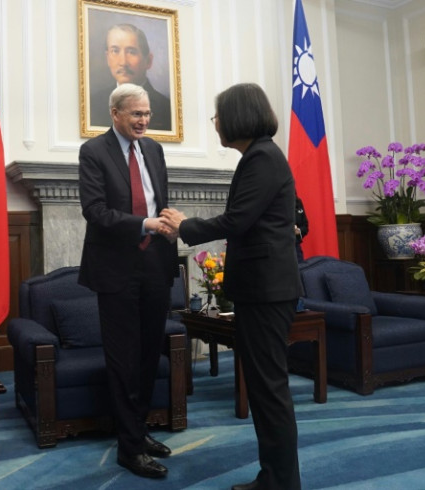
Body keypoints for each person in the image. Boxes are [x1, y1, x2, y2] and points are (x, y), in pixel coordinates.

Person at [160, 83, 303, 490]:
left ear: (239, 116)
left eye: (218, 116)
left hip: (268, 291)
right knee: (263, 389)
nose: (216, 124)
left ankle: (281, 484)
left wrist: (184, 226)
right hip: (262, 289)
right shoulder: (258, 156)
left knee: (270, 390)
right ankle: (272, 478)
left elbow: (237, 220)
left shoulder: (263, 158)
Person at [78, 83, 178, 479]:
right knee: (124, 361)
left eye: (148, 113)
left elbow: (157, 199)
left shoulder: (153, 149)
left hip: (156, 262)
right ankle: (129, 449)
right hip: (116, 269)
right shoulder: (94, 151)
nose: (144, 120)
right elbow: (95, 211)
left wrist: (166, 222)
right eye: (136, 114)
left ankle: (139, 432)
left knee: (150, 355)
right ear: (115, 114)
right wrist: (143, 224)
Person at [90, 23, 172, 131]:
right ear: (107, 58)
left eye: (131, 52)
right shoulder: (94, 102)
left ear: (148, 61)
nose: (123, 62)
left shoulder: (166, 108)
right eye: (115, 51)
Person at [295, 194, 309, 262]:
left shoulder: (298, 202)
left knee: (301, 269)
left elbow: (305, 227)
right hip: (281, 248)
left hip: (296, 246)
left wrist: (298, 230)